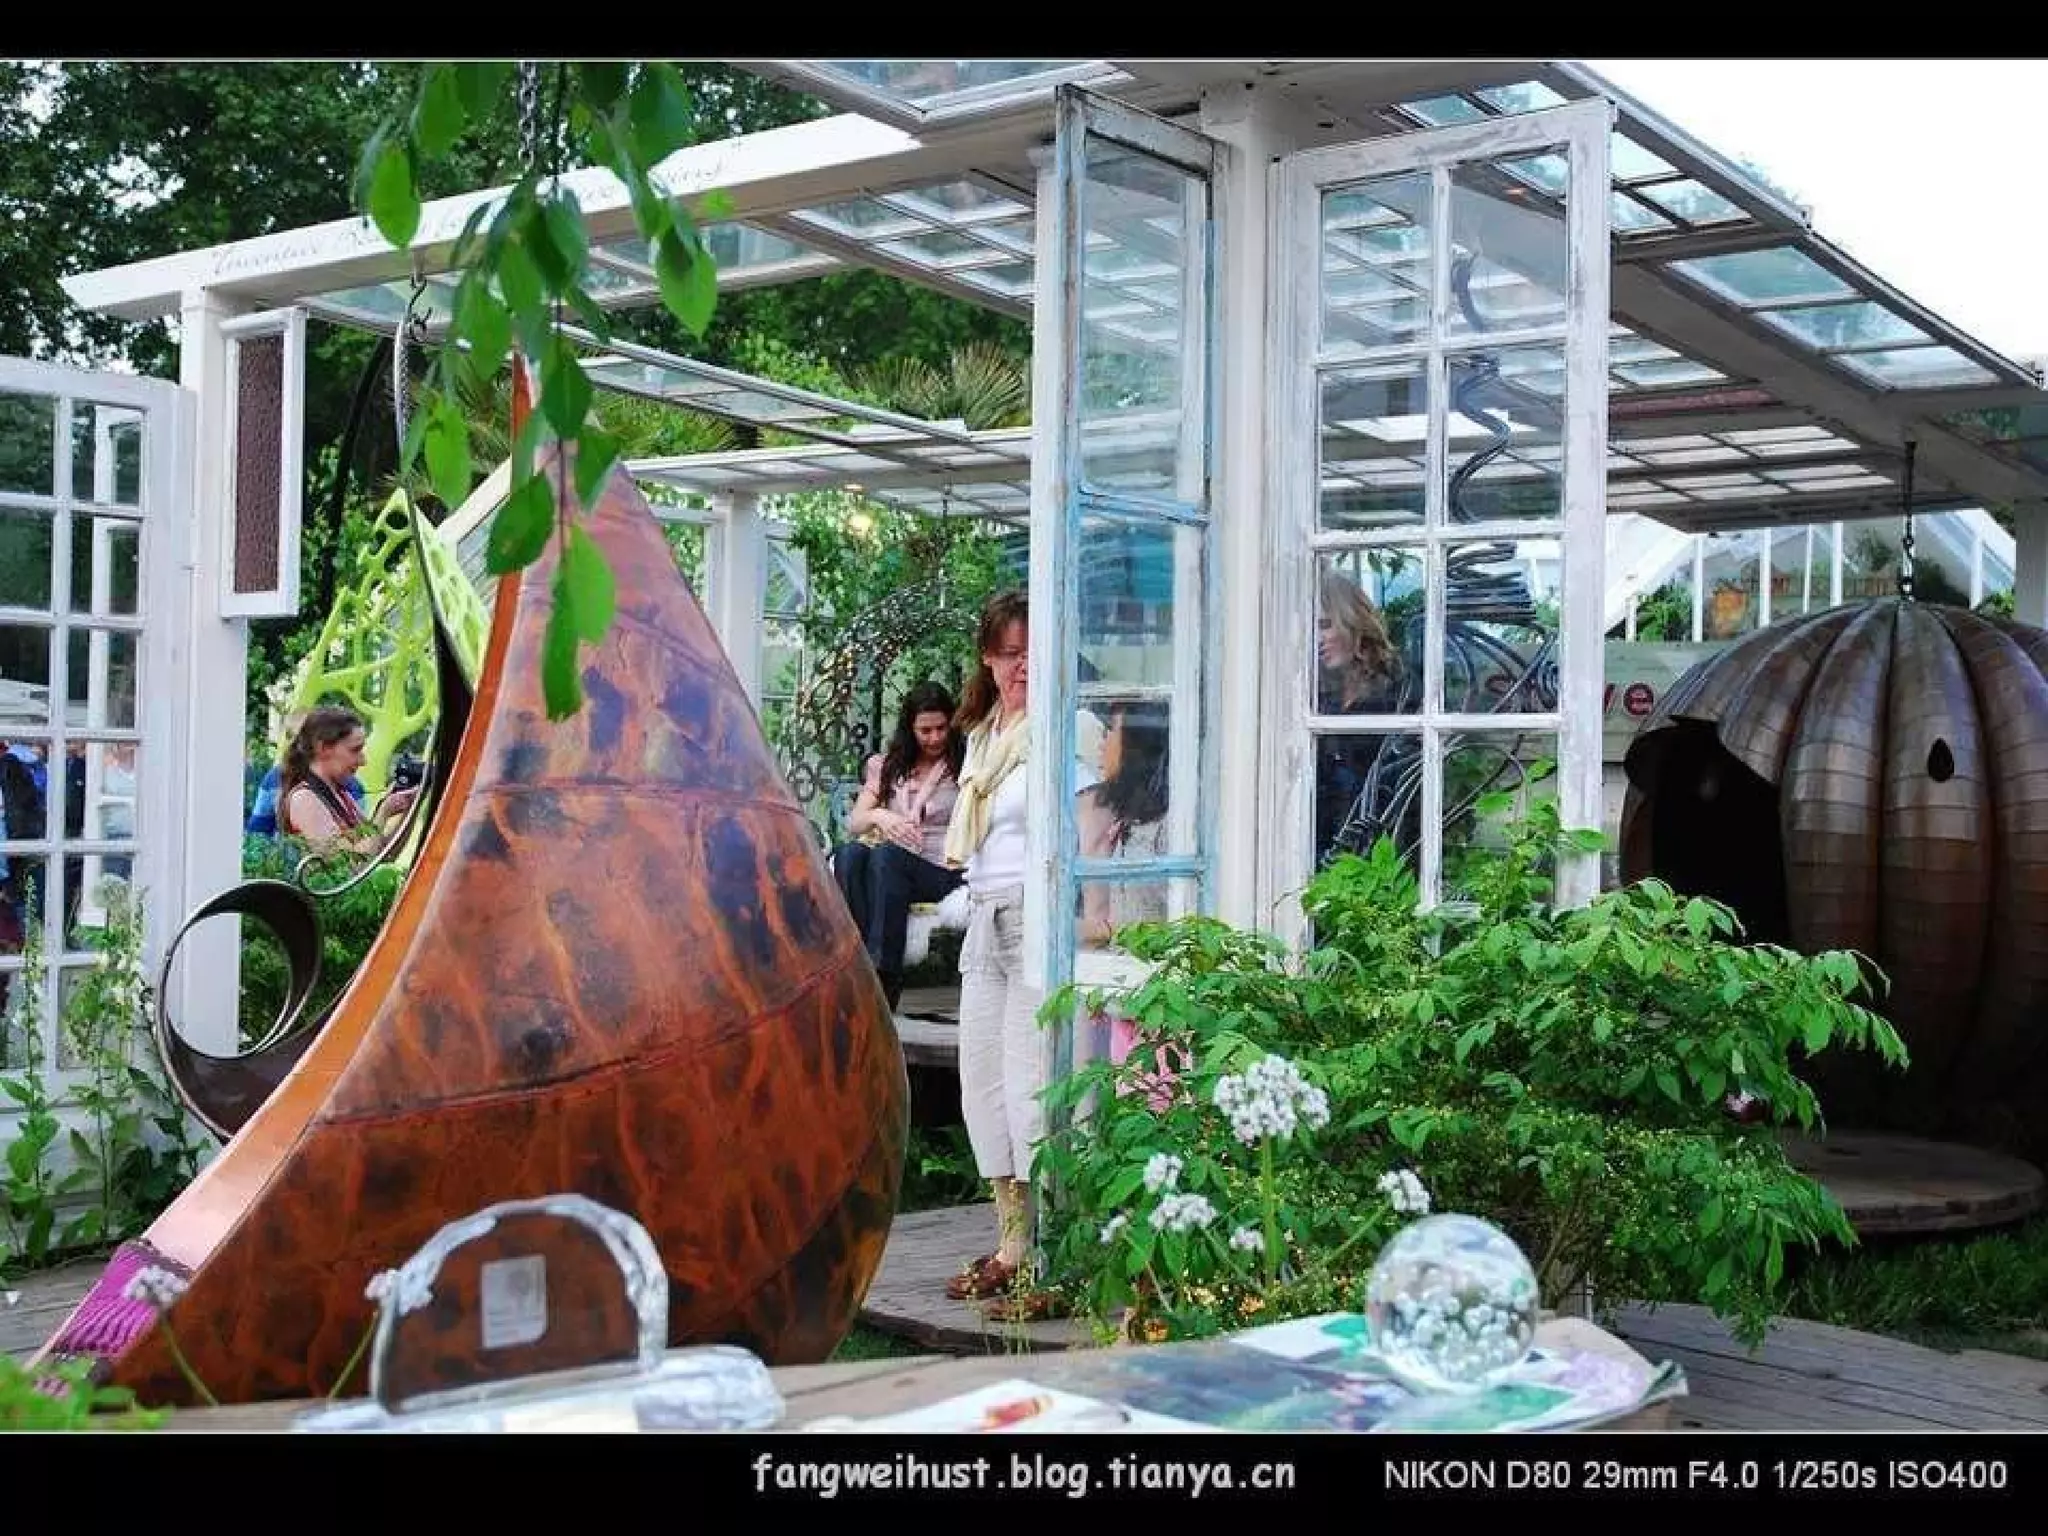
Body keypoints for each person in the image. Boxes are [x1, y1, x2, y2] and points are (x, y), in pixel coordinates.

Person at [940, 589, 1088, 1315]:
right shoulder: (982, 735)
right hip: (986, 916)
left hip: (1037, 916)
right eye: (1008, 652)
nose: (1021, 664)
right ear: (987, 659)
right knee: (983, 1084)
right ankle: (1012, 1245)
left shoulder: (1067, 725)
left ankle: (1055, 1256)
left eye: (1032, 650)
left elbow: (1089, 823)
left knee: (1033, 1088)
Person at [831, 681, 966, 1008]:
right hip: (892, 870)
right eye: (925, 731)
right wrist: (881, 816)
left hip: (943, 867)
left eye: (941, 728)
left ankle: (884, 977)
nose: (935, 738)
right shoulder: (888, 765)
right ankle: (856, 966)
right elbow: (855, 822)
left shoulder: (964, 763)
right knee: (849, 855)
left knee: (887, 857)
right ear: (910, 729)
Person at [276, 706, 417, 854]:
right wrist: (383, 812)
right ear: (323, 748)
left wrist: (411, 807)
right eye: (355, 750)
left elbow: (383, 853)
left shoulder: (341, 795)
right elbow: (353, 863)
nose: (363, 761)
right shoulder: (304, 799)